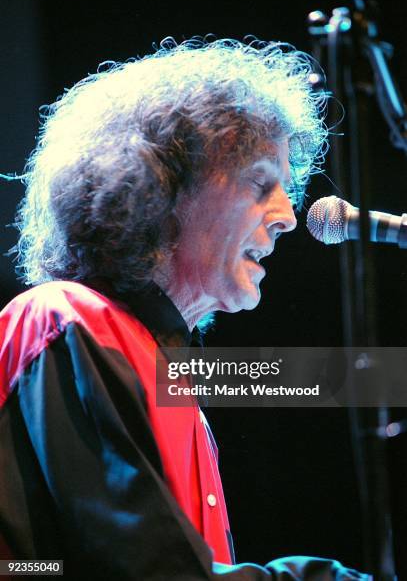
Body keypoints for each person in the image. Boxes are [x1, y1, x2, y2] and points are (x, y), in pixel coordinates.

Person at [0, 38, 368, 579]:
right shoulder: (64, 317)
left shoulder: (168, 375)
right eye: (261, 181)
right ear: (164, 189)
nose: (288, 215)